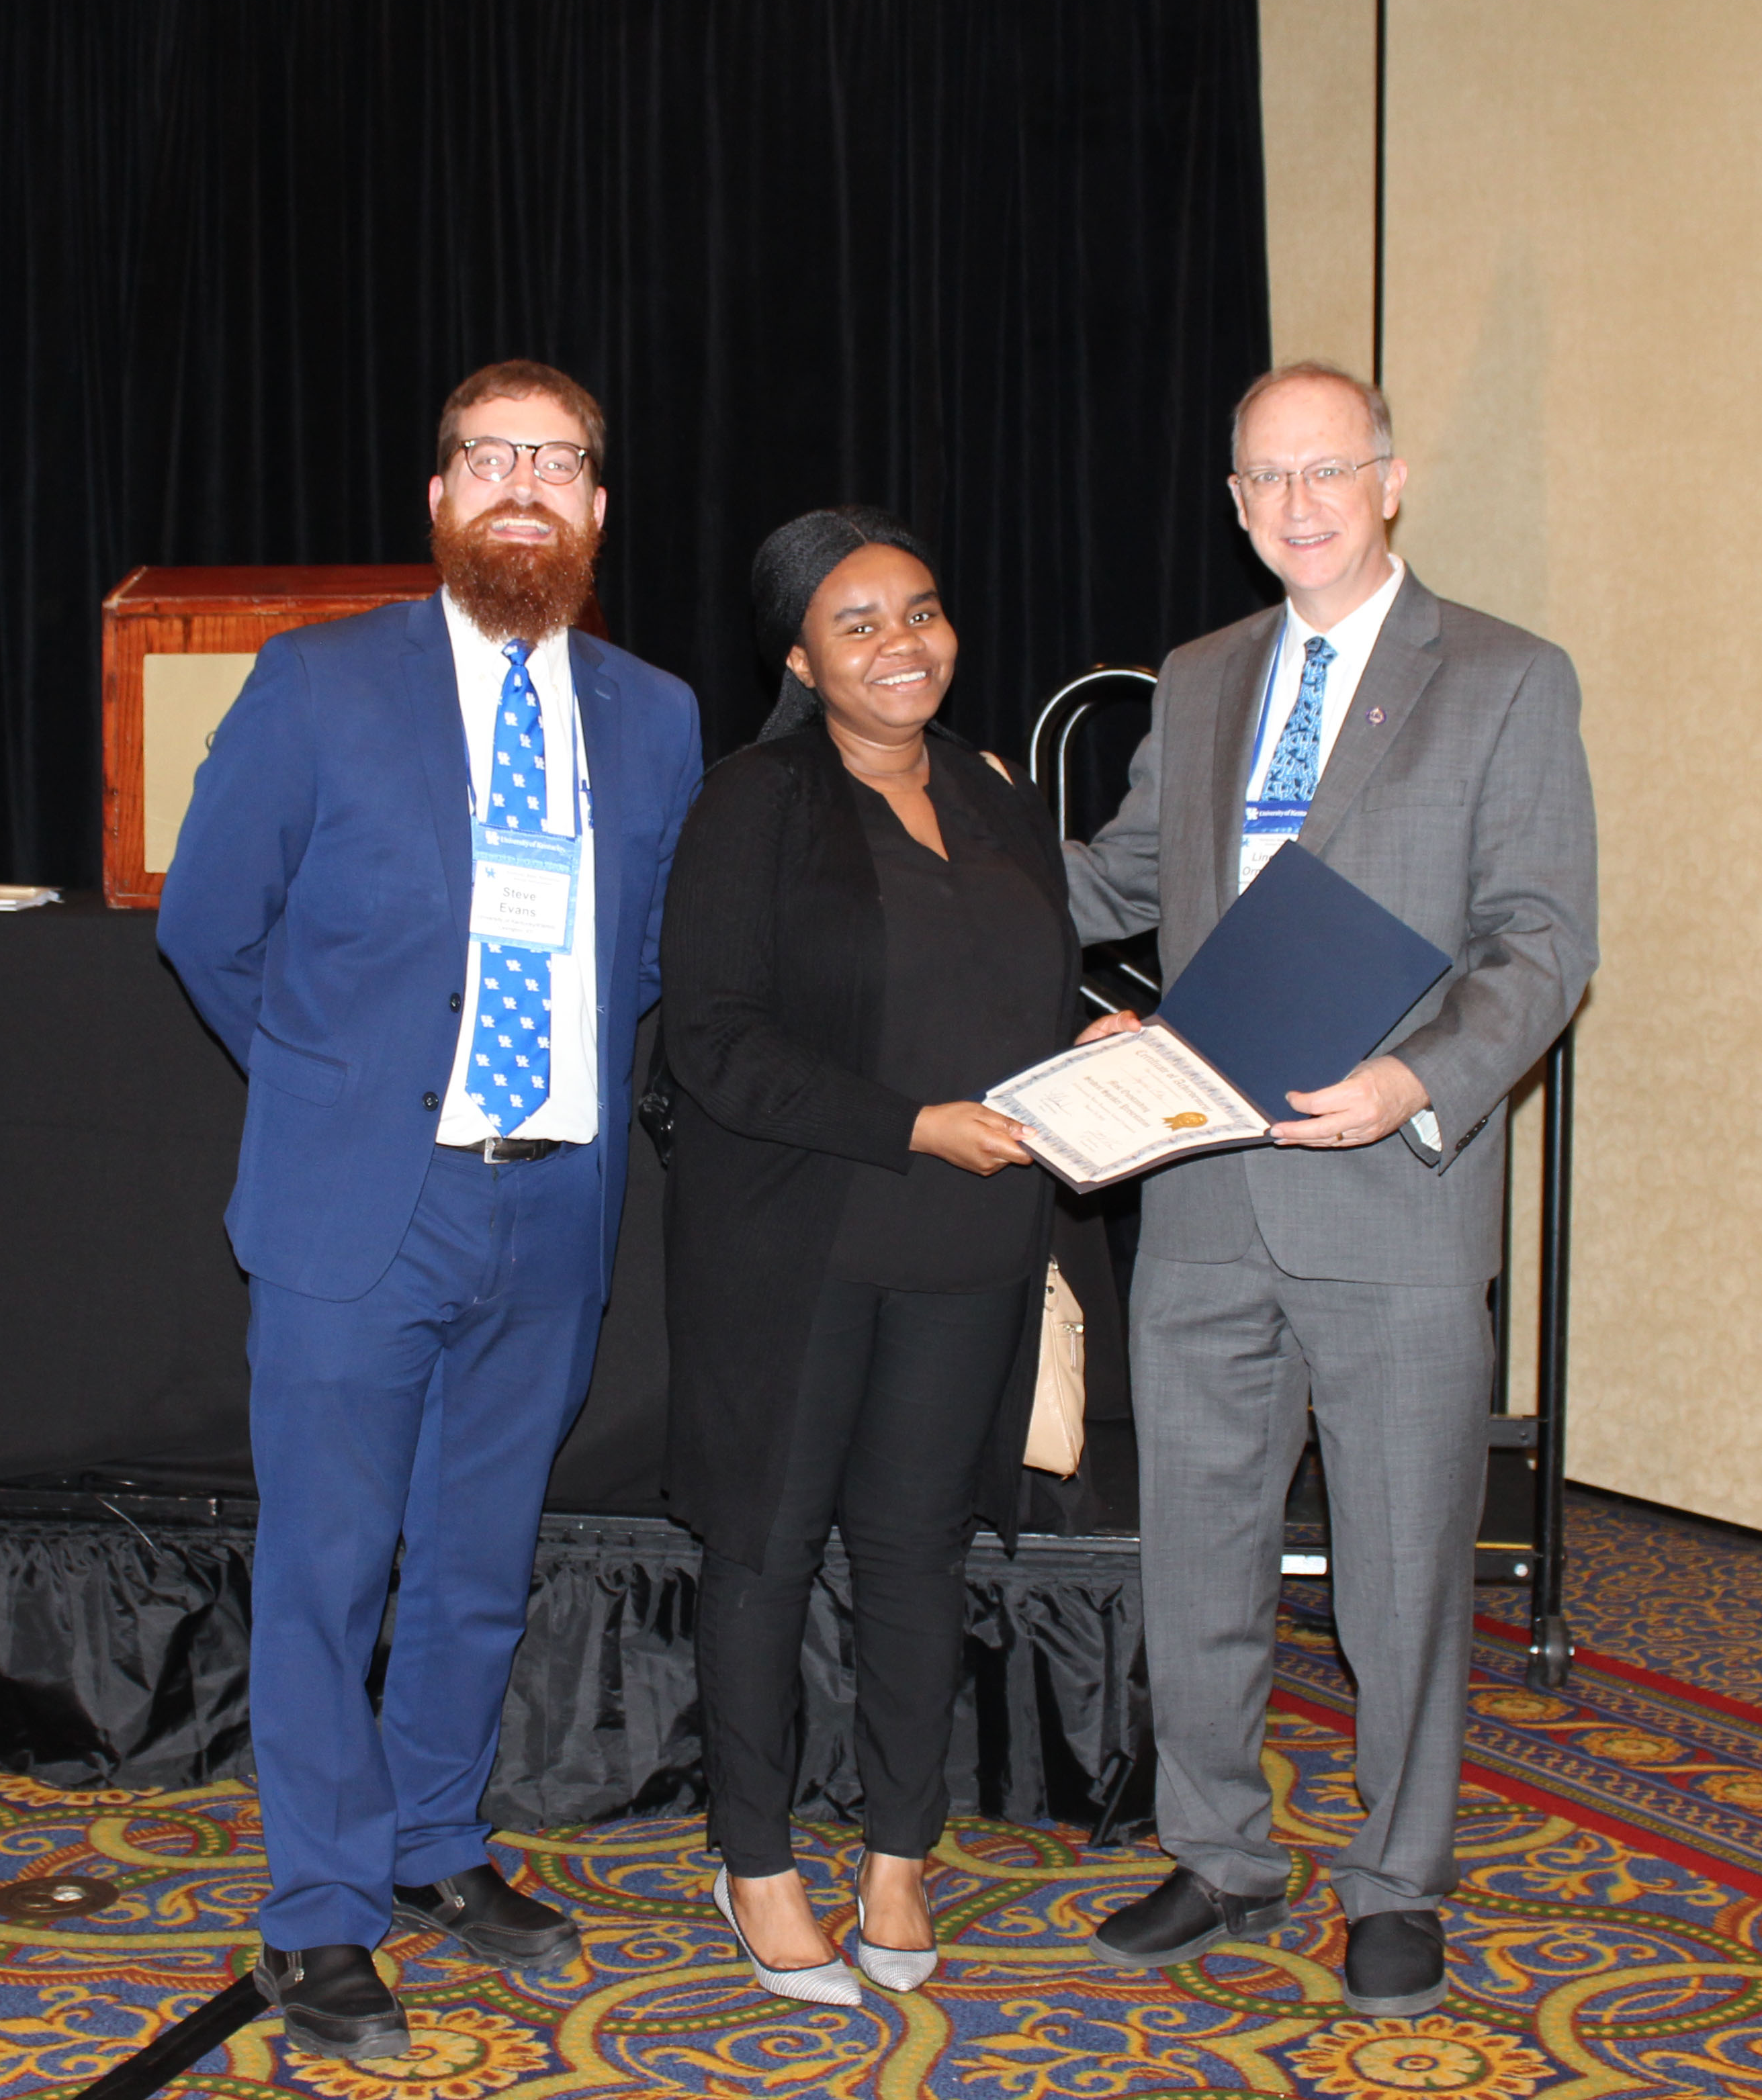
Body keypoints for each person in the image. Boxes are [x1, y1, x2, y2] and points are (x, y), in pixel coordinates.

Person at [158, 360, 701, 2061]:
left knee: (476, 1565)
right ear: (440, 496)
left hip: (554, 1211)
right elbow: (206, 926)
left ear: (598, 507)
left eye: (558, 459)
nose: (521, 484)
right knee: (328, 1566)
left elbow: (661, 959)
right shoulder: (317, 684)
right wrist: (336, 1093)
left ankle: (432, 1841)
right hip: (359, 1213)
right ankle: (322, 1908)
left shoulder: (656, 714)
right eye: (489, 456)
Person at [1065, 363, 1597, 2016]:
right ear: (1232, 505)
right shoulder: (1206, 672)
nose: (1296, 504)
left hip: (1398, 1199)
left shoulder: (1504, 677)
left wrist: (1410, 1082)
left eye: (1327, 472)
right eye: (1262, 480)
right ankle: (1218, 1849)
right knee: (1199, 1547)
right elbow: (1126, 875)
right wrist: (927, 840)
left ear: (1390, 480)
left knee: (1399, 1564)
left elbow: (1542, 938)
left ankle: (1395, 1876)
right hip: (1209, 1184)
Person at [659, 508, 1125, 2005]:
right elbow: (714, 1043)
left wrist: (1084, 1054)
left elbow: (1004, 999)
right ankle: (757, 1861)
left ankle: (900, 1855)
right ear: (798, 655)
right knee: (767, 1549)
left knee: (919, 1553)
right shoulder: (751, 802)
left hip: (973, 1239)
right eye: (856, 623)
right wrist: (911, 1123)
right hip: (797, 1243)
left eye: (919, 610)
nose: (900, 643)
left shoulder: (996, 794)